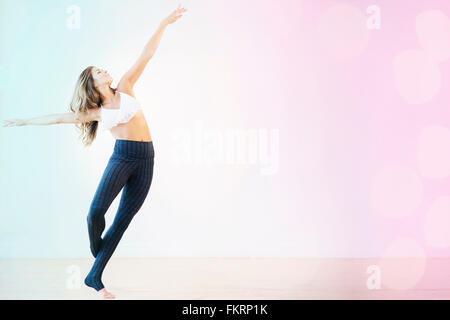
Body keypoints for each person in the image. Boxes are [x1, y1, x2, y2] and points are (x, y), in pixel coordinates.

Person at [1, 4, 188, 299]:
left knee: (122, 222)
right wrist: (23, 121)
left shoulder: (126, 86)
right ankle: (96, 252)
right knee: (95, 214)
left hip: (146, 159)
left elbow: (146, 54)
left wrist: (164, 23)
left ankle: (94, 278)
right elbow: (59, 118)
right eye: (97, 71)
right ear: (92, 83)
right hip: (122, 157)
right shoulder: (96, 112)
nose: (103, 70)